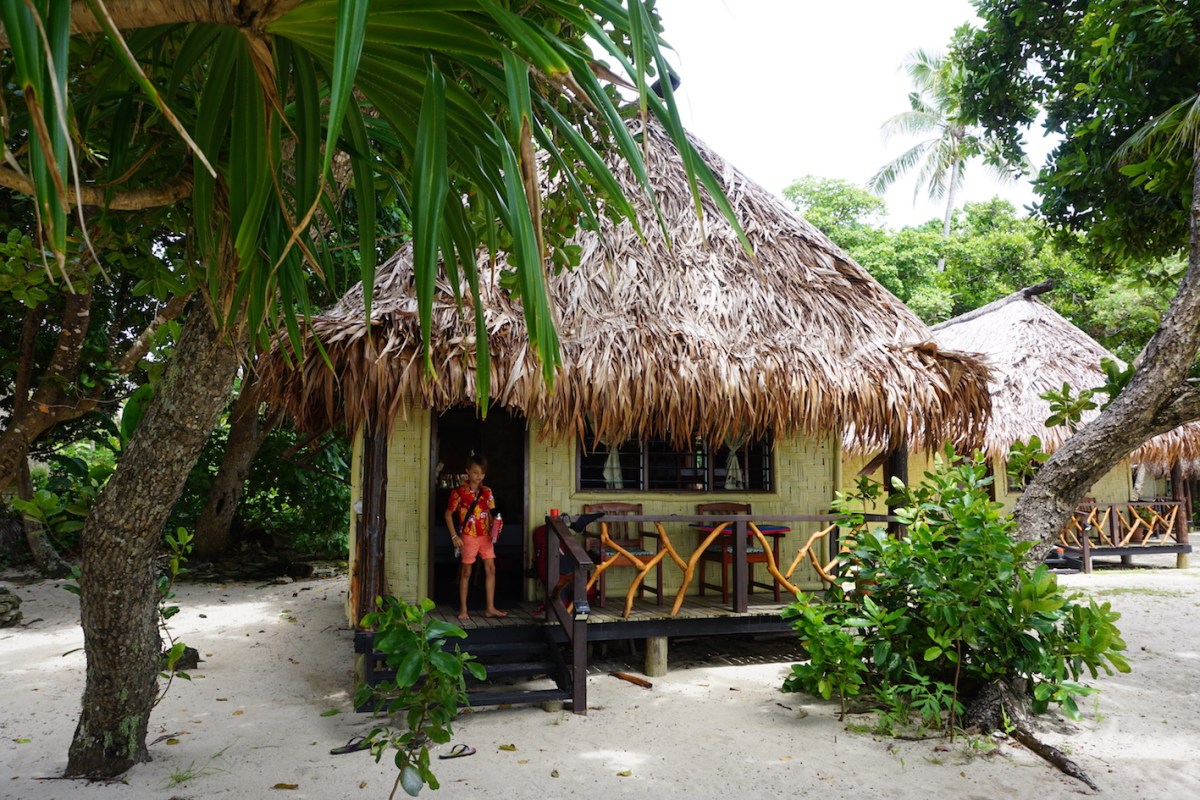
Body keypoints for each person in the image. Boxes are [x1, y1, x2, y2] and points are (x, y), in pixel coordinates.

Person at [444, 455, 507, 622]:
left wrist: (496, 525)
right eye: (475, 472)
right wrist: (454, 536)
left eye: (482, 473)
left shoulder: (487, 492)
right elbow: (448, 514)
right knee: (466, 572)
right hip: (468, 536)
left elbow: (490, 513)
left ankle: (490, 608)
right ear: (467, 471)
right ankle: (463, 608)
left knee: (491, 570)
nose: (479, 476)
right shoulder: (458, 493)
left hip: (486, 536)